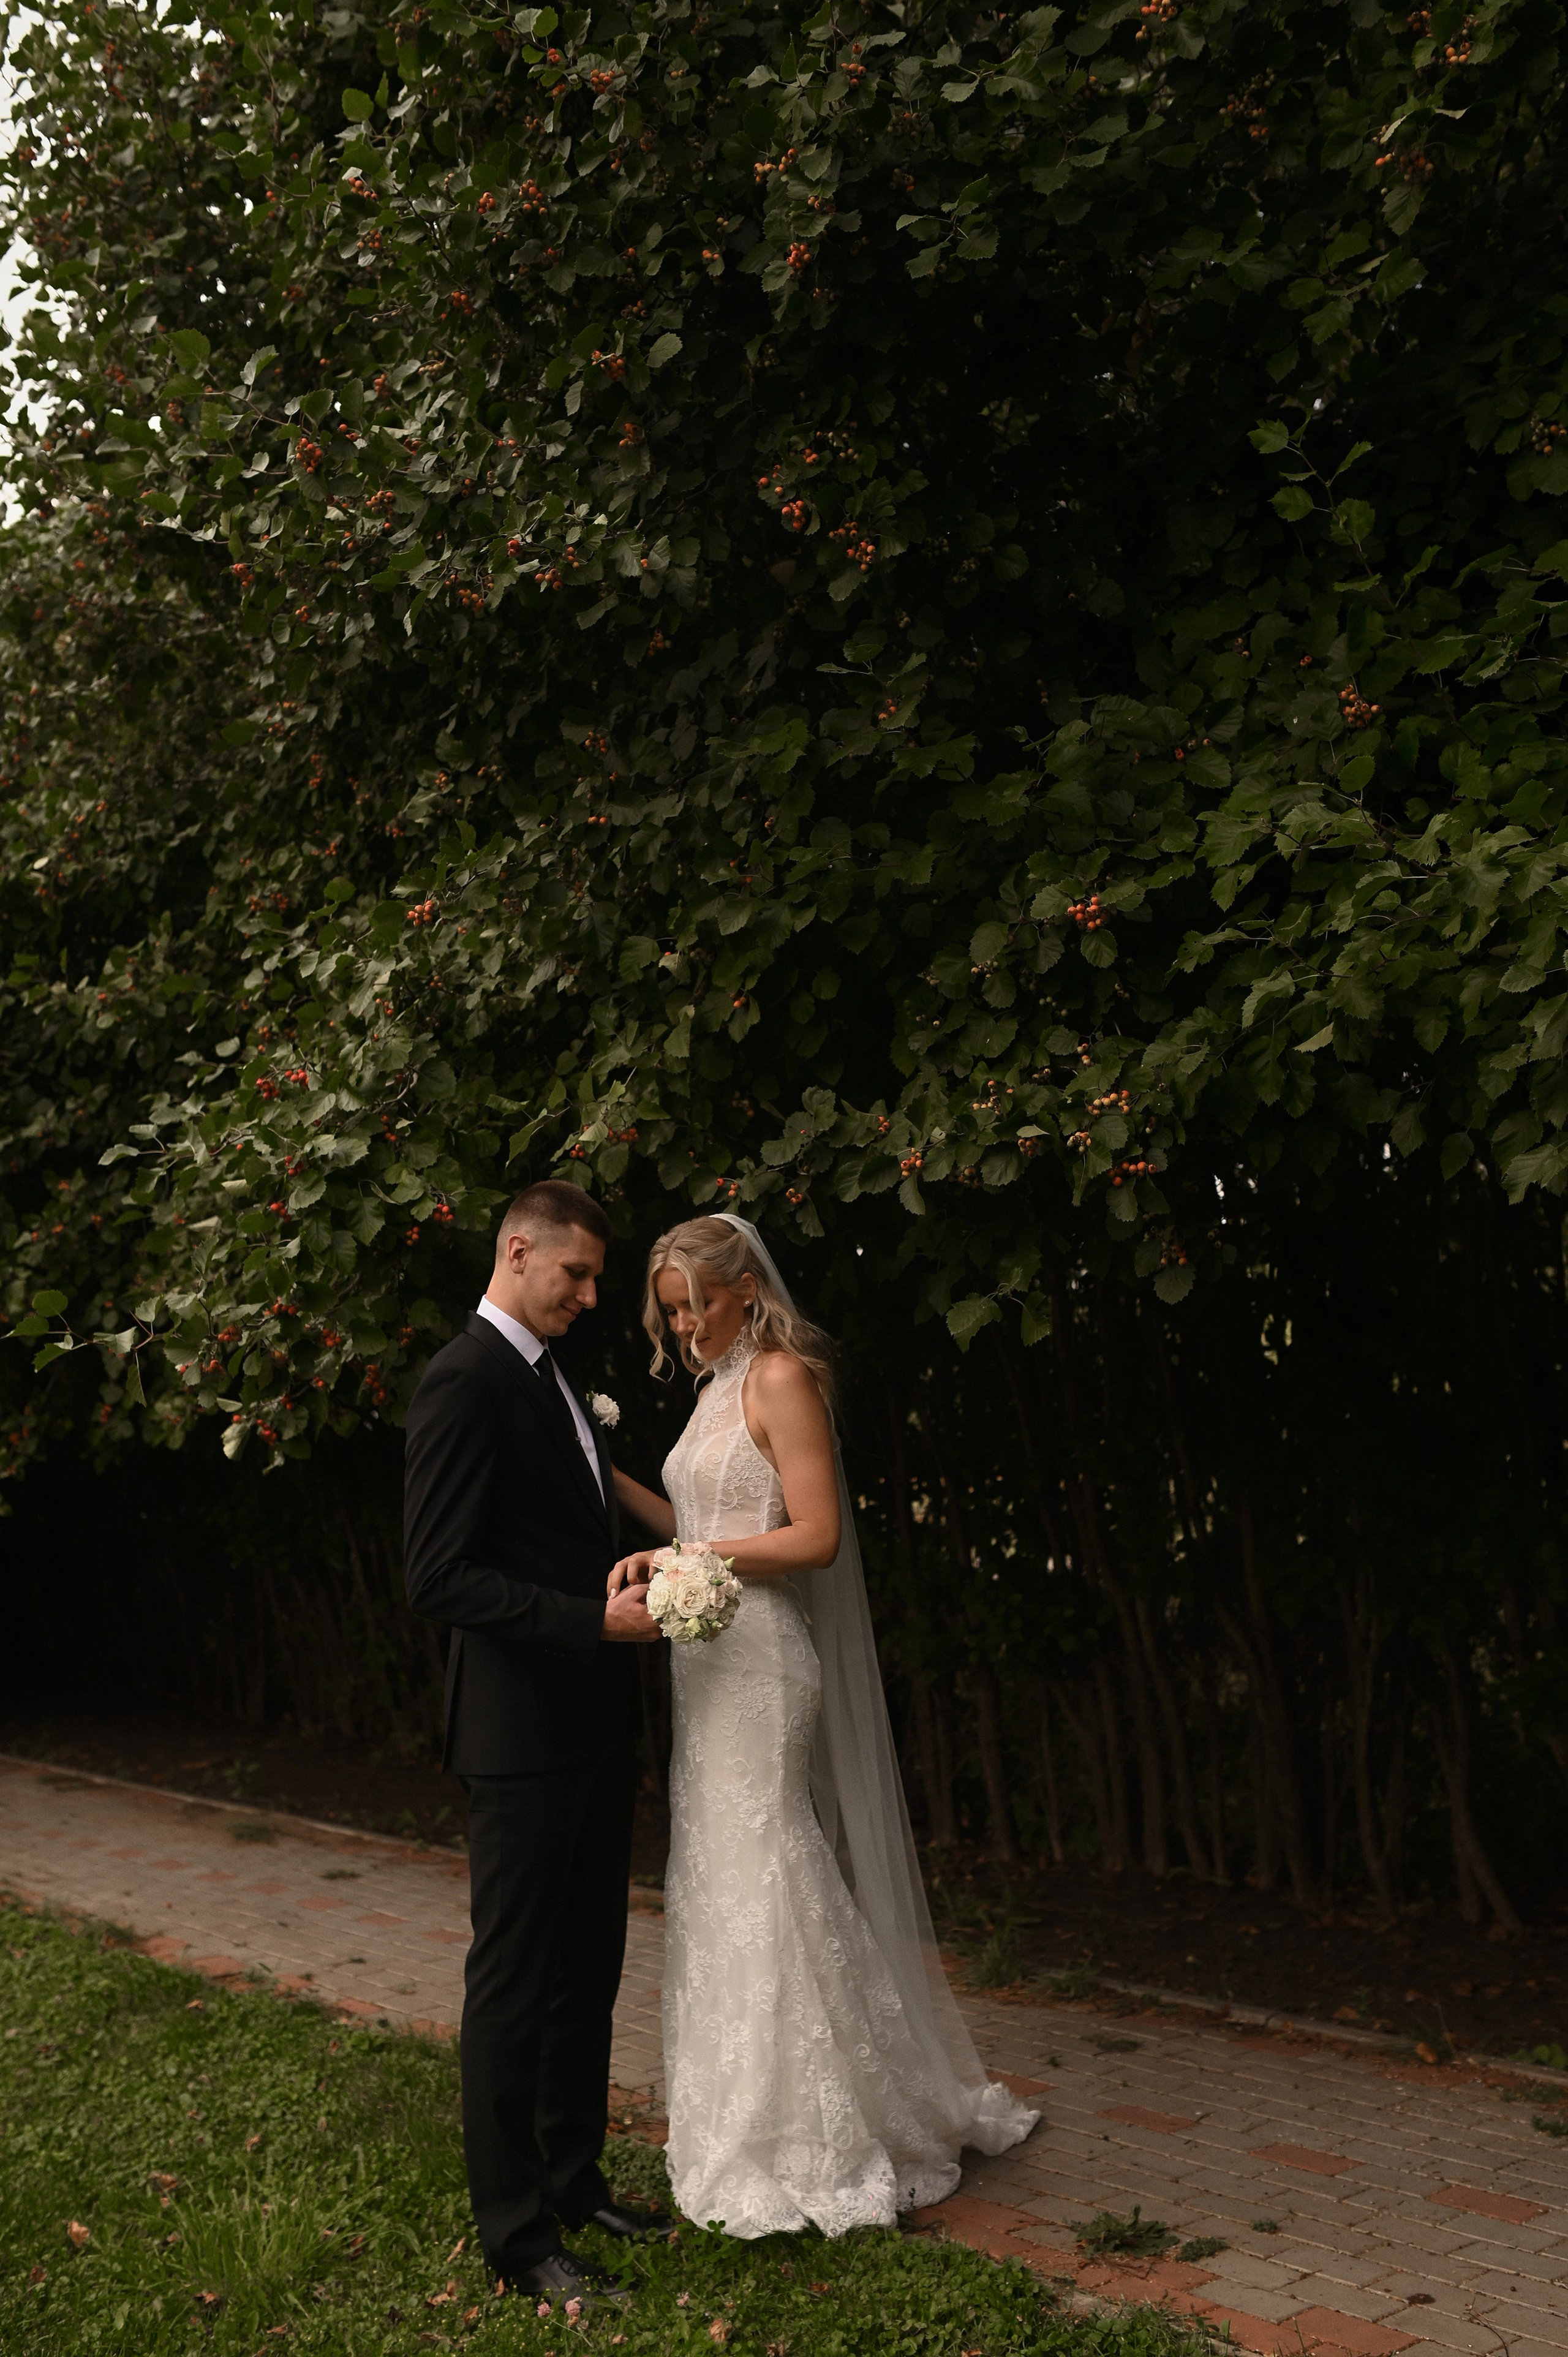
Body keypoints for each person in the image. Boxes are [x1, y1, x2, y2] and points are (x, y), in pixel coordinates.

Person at [608, 1212, 1038, 2238]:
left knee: (768, 1861)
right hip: (707, 1661)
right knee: (720, 1872)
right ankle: (745, 2121)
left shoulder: (781, 1378)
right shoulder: (714, 1391)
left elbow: (816, 1535)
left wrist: (692, 1565)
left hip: (763, 1663)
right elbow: (700, 1526)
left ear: (747, 1289)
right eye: (671, 1312)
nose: (684, 1328)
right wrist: (611, 1485)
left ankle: (820, 2130)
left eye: (696, 1305)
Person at [404, 1180, 671, 2309]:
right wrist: (584, 1622)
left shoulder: (555, 1372)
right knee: (514, 1982)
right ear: (519, 1252)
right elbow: (439, 1576)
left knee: (588, 1969)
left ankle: (571, 2179)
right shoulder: (462, 1382)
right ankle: (516, 2235)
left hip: (597, 1723)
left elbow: (573, 1524)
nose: (592, 1294)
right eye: (577, 1274)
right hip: (519, 1734)